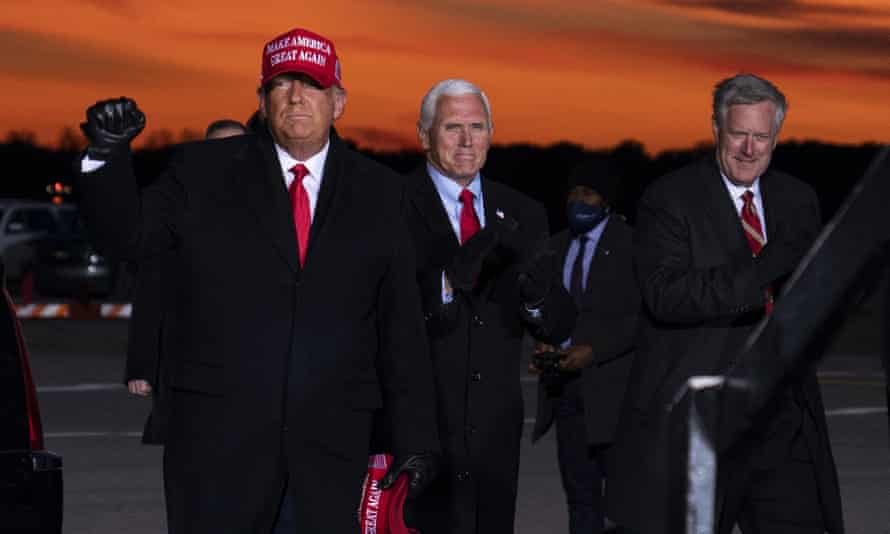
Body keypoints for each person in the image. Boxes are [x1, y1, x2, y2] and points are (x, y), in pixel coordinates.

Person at [77, 27, 439, 533]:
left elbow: (399, 325)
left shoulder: (382, 193)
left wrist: (416, 437)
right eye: (281, 84)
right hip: (217, 450)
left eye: (311, 84)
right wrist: (106, 158)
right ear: (262, 100)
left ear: (338, 101)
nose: (295, 97)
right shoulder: (201, 172)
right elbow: (131, 240)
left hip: (331, 453)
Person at [607, 73, 843, 533]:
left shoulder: (798, 199)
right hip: (703, 424)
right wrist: (764, 268)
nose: (750, 150)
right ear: (717, 128)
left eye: (762, 137)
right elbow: (666, 295)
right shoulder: (669, 198)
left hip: (782, 418)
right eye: (740, 134)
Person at [402, 78, 576, 534]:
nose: (466, 141)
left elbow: (556, 325)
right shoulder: (390, 205)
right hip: (419, 431)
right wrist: (446, 282)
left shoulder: (523, 211)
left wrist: (538, 296)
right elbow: (382, 316)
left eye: (477, 127)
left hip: (496, 431)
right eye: (452, 127)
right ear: (423, 136)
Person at [530, 158, 639, 534]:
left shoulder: (632, 244)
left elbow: (643, 318)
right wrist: (545, 343)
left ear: (606, 200)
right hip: (567, 394)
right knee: (580, 498)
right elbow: (546, 309)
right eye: (573, 193)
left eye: (588, 194)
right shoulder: (555, 247)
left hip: (617, 394)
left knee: (628, 503)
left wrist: (594, 351)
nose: (579, 201)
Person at [125, 117, 248, 444]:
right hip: (189, 364)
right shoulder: (176, 201)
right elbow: (152, 289)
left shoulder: (272, 201)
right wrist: (141, 365)